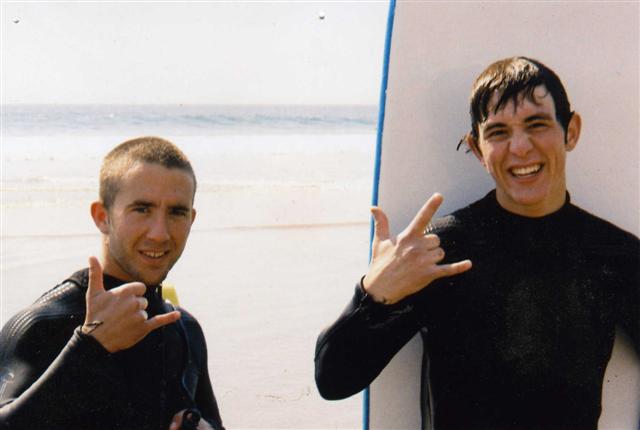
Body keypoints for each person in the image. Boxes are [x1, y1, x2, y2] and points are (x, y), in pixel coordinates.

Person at [315, 57, 639, 428]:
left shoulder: (614, 254)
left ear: (571, 131)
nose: (520, 147)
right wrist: (372, 295)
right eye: (498, 132)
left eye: (537, 124)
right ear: (477, 147)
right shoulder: (438, 251)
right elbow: (333, 380)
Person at [0, 137, 224, 430]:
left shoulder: (184, 330)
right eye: (142, 209)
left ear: (191, 219)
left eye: (176, 212)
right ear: (102, 217)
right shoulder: (43, 324)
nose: (160, 233)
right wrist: (90, 347)